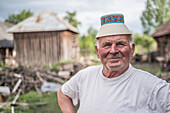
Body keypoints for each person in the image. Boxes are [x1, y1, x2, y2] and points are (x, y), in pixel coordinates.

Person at [57, 13, 170, 113]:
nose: (113, 50)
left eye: (120, 44)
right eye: (106, 45)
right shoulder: (86, 76)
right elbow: (63, 94)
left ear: (132, 49)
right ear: (97, 51)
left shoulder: (152, 86)